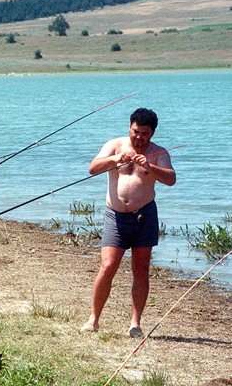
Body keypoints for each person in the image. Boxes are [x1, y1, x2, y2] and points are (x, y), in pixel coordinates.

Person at [81, 108, 176, 338]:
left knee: (141, 270)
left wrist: (150, 167)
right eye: (135, 132)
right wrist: (114, 159)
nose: (139, 137)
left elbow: (171, 179)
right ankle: (93, 319)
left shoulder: (159, 153)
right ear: (129, 128)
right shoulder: (115, 145)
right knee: (108, 266)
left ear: (152, 133)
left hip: (144, 215)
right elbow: (92, 168)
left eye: (144, 133)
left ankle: (135, 323)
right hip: (115, 215)